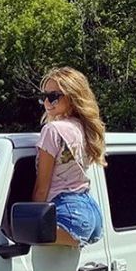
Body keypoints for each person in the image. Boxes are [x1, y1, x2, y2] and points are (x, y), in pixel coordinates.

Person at [32, 66, 106, 247]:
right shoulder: (84, 129)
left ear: (73, 97)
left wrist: (31, 220)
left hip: (65, 212)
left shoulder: (52, 130)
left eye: (54, 96)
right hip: (90, 211)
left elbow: (42, 187)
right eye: (44, 97)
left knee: (26, 236)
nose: (47, 103)